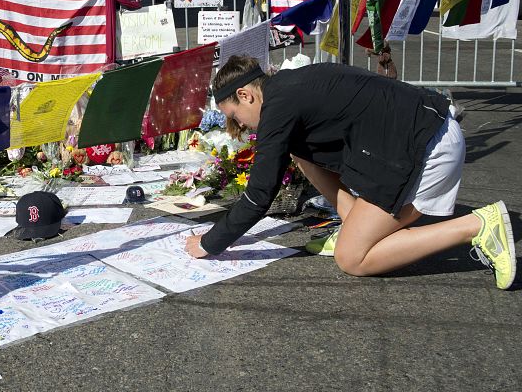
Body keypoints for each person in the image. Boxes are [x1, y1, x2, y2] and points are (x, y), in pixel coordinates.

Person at [184, 55, 516, 290]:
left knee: (353, 258)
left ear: (245, 94)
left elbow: (259, 193)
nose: (240, 125)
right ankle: (353, 226)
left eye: (237, 116)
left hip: (428, 147)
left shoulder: (278, 107)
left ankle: (476, 225)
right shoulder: (285, 87)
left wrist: (211, 242)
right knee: (302, 155)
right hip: (422, 131)